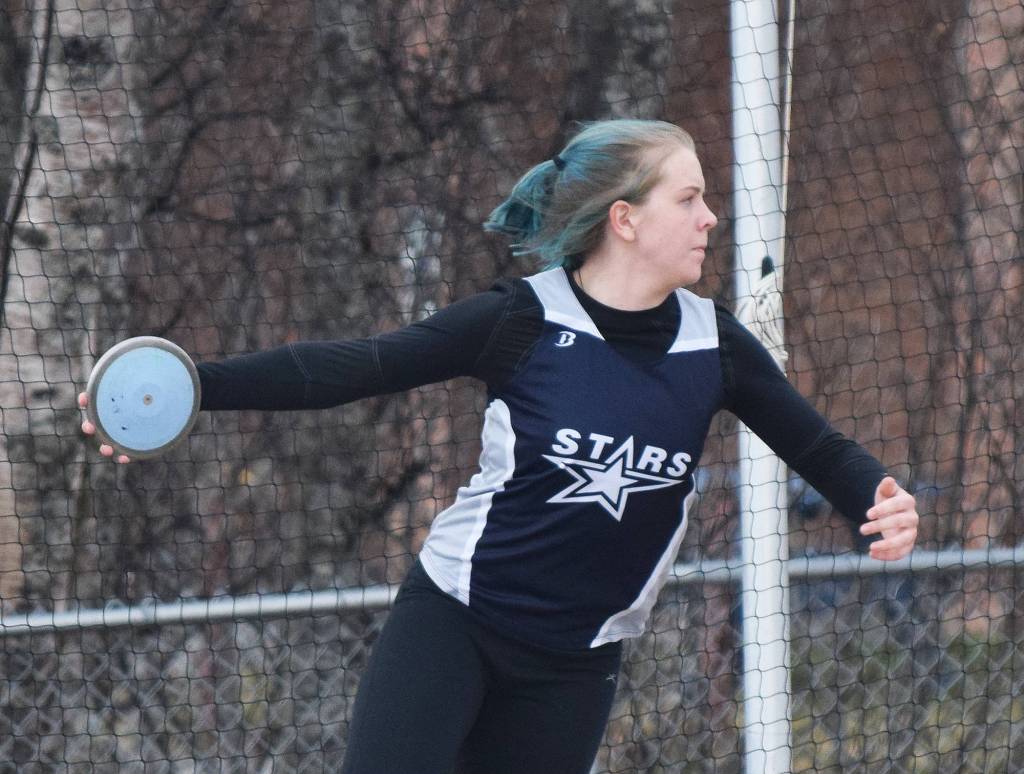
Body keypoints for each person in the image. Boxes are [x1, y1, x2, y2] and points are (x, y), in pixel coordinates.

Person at [80, 119, 919, 773]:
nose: (710, 216)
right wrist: (195, 387)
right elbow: (357, 366)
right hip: (457, 624)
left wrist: (877, 501)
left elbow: (823, 449)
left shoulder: (716, 344)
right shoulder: (521, 319)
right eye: (689, 198)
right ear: (624, 219)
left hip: (576, 664)